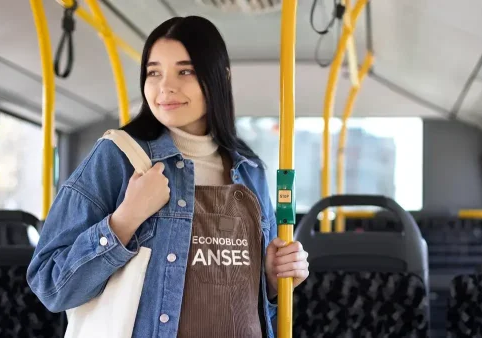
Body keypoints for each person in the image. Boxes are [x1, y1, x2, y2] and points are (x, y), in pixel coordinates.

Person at [27, 16, 309, 338]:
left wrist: (271, 282)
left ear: (220, 77)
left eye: (185, 71)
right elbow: (50, 285)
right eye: (154, 72)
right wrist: (124, 221)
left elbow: (254, 310)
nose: (165, 87)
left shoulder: (250, 171)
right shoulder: (118, 155)